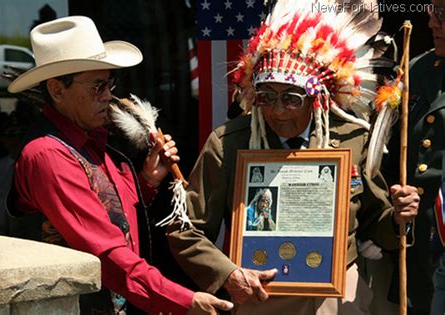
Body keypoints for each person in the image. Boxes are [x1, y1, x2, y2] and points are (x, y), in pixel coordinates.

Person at [167, 1, 420, 314]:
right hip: (259, 298)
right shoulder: (230, 143)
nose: (276, 110)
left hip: (339, 299)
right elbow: (185, 228)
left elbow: (373, 222)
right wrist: (228, 274)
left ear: (317, 99)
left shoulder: (351, 140)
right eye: (266, 97)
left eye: (291, 98)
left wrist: (398, 217)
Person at [6, 15, 233, 315]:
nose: (108, 95)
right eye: (97, 86)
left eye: (109, 83)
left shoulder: (90, 143)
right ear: (57, 90)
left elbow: (115, 217)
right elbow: (107, 253)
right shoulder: (47, 155)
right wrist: (184, 300)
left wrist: (147, 181)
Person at [379, 1, 445, 314]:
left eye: (443, 13)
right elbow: (388, 154)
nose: (432, 23)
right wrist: (388, 203)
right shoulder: (417, 69)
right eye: (432, 10)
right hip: (419, 247)